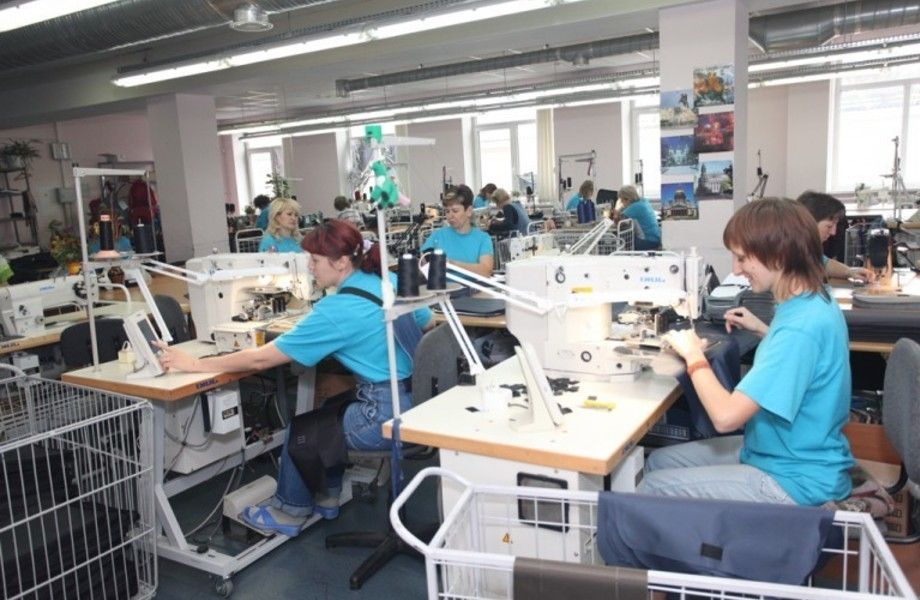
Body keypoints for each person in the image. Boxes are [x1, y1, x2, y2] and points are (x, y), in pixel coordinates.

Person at [155, 221, 434, 534]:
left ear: (341, 262)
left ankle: (289, 511)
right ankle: (327, 497)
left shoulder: (336, 309)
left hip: (384, 414)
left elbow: (261, 359)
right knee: (327, 410)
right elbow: (426, 322)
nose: (310, 268)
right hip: (419, 400)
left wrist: (195, 364)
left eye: (315, 260)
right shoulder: (389, 280)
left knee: (303, 431)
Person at [638, 199, 854, 506]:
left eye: (742, 258)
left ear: (778, 255)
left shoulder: (798, 329)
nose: (736, 270)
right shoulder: (813, 301)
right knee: (658, 462)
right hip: (779, 451)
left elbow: (725, 417)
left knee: (651, 487)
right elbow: (805, 358)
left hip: (794, 479)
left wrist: (693, 355)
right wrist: (764, 331)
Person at [797, 191, 875, 282]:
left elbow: (824, 263)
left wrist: (850, 271)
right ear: (808, 223)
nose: (833, 232)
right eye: (829, 226)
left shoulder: (807, 248)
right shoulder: (790, 253)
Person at [420, 184, 494, 278]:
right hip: (442, 287)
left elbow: (486, 271)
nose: (450, 216)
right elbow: (423, 264)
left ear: (469, 211)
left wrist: (452, 264)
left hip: (472, 287)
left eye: (455, 211)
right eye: (447, 211)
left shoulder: (483, 239)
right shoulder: (437, 236)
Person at [616, 184, 661, 250]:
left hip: (648, 241)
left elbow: (619, 220)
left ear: (627, 199)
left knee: (622, 240)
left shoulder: (634, 207)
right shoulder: (644, 201)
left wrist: (617, 208)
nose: (622, 202)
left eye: (622, 200)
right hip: (656, 239)